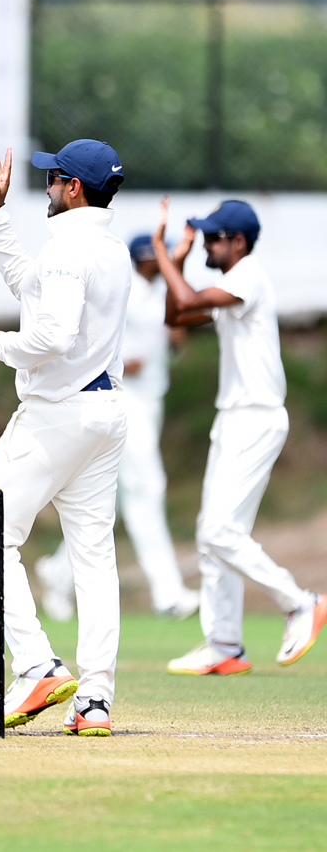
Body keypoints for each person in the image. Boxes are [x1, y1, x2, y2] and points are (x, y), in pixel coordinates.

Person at [0, 141, 131, 737]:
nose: (47, 186)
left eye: (54, 178)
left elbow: (53, 334)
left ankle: (36, 662)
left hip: (58, 411)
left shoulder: (68, 248)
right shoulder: (108, 248)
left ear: (75, 187)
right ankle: (94, 699)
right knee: (93, 556)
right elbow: (28, 285)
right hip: (105, 411)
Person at [153, 198, 326, 675]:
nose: (207, 243)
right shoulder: (230, 282)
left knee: (218, 531)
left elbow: (186, 300)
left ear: (238, 242)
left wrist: (164, 253)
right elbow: (176, 316)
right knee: (215, 536)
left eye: (213, 238)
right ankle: (224, 645)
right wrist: (179, 259)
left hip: (256, 418)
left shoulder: (249, 275)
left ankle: (301, 602)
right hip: (233, 419)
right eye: (205, 237)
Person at [34, 233, 200, 621]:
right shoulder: (124, 291)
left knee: (112, 502)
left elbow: (173, 342)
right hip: (125, 400)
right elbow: (93, 338)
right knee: (147, 487)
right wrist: (125, 360)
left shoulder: (160, 293)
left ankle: (57, 574)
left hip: (151, 402)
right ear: (145, 258)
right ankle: (168, 593)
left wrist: (175, 339)